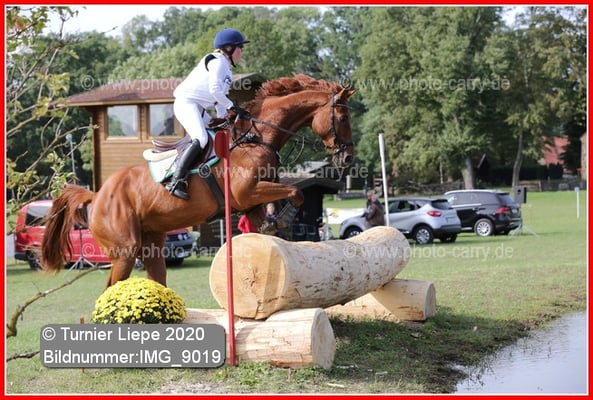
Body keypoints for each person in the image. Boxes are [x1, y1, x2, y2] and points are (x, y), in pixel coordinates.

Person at [166, 28, 250, 200]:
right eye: (240, 47)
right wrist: (232, 106)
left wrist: (225, 121)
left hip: (199, 107)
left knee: (215, 136)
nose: (242, 51)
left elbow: (219, 101)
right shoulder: (217, 61)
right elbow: (214, 90)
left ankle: (202, 174)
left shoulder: (227, 70)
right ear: (229, 48)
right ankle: (176, 181)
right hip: (186, 103)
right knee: (202, 138)